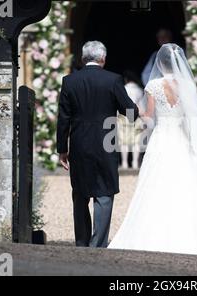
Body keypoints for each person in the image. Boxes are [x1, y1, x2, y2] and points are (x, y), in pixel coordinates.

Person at [108, 44, 197, 258]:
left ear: (160, 63)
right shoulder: (187, 85)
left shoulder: (153, 85)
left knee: (157, 183)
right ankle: (190, 232)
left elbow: (148, 116)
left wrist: (135, 115)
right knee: (187, 183)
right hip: (181, 140)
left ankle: (157, 232)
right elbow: (191, 117)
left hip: (161, 139)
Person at [57, 41, 139, 248]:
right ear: (103, 58)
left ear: (83, 58)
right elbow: (129, 112)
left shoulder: (69, 81)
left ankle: (82, 242)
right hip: (106, 141)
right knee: (104, 192)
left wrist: (62, 150)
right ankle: (98, 244)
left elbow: (63, 118)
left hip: (79, 143)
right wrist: (133, 113)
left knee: (80, 193)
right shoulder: (112, 80)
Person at [118, 70, 145, 169]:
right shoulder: (139, 90)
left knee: (123, 141)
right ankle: (134, 163)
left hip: (124, 116)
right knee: (136, 142)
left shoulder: (123, 89)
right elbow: (142, 106)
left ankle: (124, 163)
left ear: (126, 79)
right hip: (136, 116)